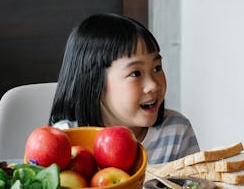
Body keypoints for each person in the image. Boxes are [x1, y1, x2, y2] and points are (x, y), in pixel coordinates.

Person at [50, 13, 199, 164]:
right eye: (136, 73)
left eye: (157, 68)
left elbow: (196, 186)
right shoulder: (66, 140)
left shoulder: (177, 131)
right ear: (95, 83)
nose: (153, 85)